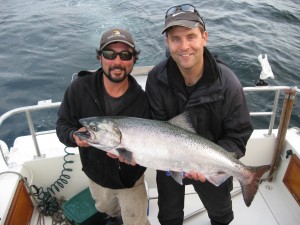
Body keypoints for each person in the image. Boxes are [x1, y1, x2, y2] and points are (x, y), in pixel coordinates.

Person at [145, 4, 253, 225]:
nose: (184, 46)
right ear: (168, 42)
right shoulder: (156, 77)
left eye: (191, 37)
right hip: (168, 162)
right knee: (168, 216)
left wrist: (207, 163)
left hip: (209, 161)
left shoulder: (228, 83)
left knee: (221, 214)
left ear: (204, 37)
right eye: (175, 39)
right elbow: (157, 126)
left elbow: (238, 136)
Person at [56, 28, 151, 225]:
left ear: (134, 59)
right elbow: (62, 125)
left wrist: (135, 158)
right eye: (110, 54)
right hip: (96, 175)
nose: (117, 61)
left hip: (130, 181)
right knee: (106, 209)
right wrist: (74, 136)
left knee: (136, 221)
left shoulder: (142, 100)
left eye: (125, 55)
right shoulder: (79, 88)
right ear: (100, 57)